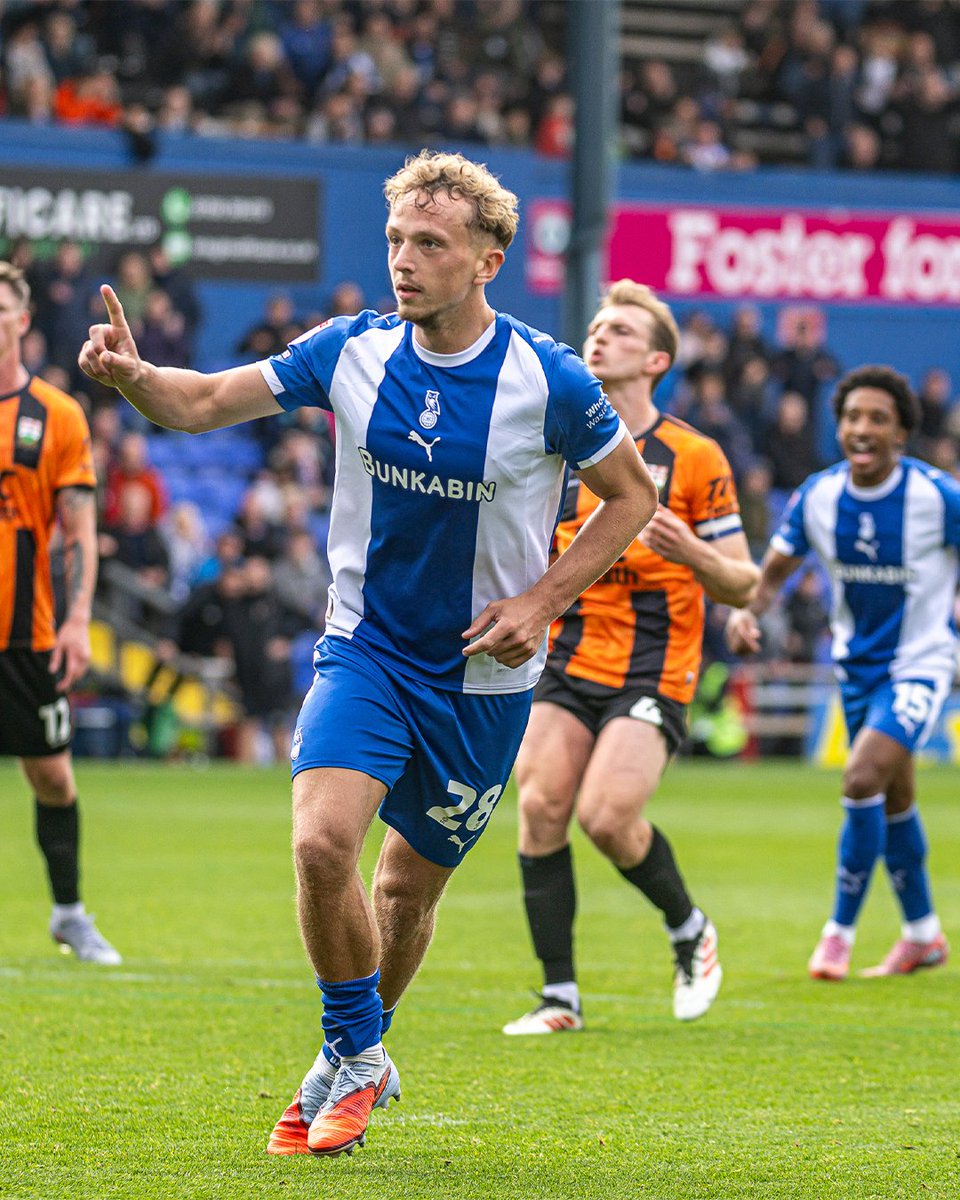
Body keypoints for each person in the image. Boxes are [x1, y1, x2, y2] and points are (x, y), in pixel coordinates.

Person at [78, 151, 658, 1158]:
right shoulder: (349, 350)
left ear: (488, 259)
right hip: (368, 652)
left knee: (404, 893)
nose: (404, 260)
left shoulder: (549, 379)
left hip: (483, 680)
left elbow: (633, 497)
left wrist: (545, 597)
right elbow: (205, 401)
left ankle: (350, 1058)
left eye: (430, 243)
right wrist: (135, 380)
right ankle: (354, 1049)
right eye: (395, 239)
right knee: (318, 845)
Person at [502, 280, 758, 1035]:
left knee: (609, 817)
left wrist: (693, 555)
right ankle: (560, 999)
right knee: (541, 805)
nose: (600, 336)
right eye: (596, 325)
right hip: (568, 656)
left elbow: (742, 582)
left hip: (655, 667)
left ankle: (688, 928)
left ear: (656, 360)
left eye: (619, 330)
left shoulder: (694, 455)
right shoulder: (557, 443)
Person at [726, 365, 954, 981]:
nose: (862, 428)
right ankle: (923, 935)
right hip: (856, 672)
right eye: (853, 417)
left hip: (921, 665)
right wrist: (749, 613)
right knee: (896, 798)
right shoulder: (820, 497)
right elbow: (774, 570)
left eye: (878, 418)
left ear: (902, 433)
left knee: (861, 779)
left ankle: (838, 934)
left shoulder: (938, 497)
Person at [0, 260, 121, 966]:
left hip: (25, 632)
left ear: (21, 320)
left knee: (52, 775)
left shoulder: (57, 415)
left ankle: (70, 914)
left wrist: (77, 621)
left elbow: (77, 532)